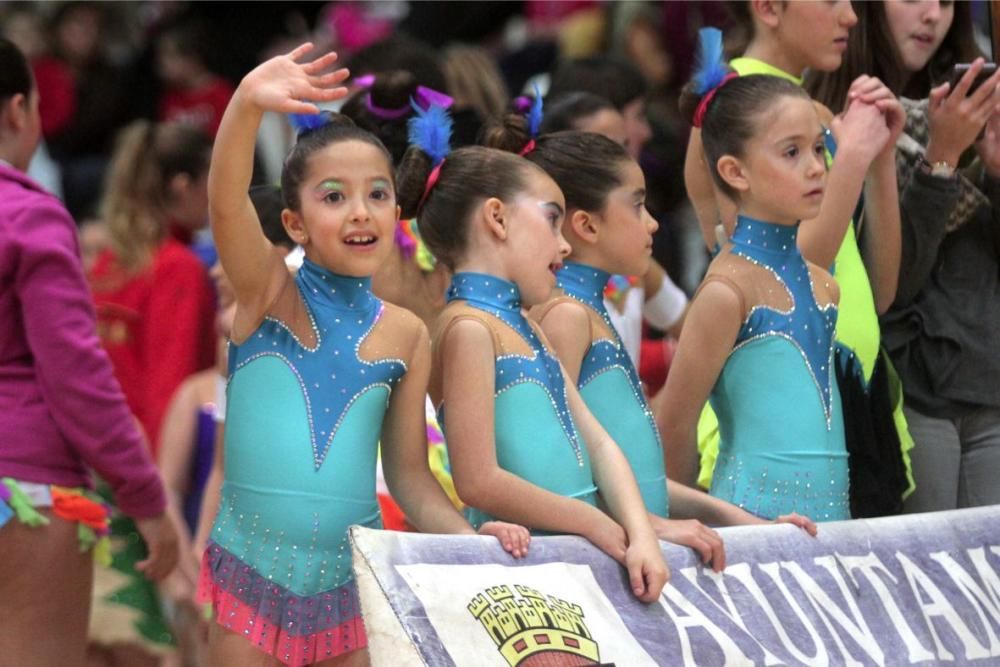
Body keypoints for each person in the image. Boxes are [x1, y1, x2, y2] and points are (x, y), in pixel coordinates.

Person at [200, 44, 529, 666]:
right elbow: (225, 203)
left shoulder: (406, 332)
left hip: (351, 587)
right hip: (252, 576)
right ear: (294, 224)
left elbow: (408, 475)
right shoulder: (268, 294)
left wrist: (469, 540)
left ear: (397, 210)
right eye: (334, 197)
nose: (361, 212)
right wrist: (245, 102)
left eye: (377, 194)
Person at [486, 122, 818, 567]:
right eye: (638, 206)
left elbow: (641, 483)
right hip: (581, 563)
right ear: (585, 224)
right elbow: (553, 476)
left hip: (621, 552)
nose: (653, 222)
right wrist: (651, 526)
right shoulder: (565, 318)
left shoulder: (589, 313)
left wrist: (739, 519)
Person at [396, 100, 669, 601]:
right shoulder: (466, 328)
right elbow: (477, 480)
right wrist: (593, 521)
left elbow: (602, 445)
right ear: (497, 218)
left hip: (582, 560)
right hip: (529, 574)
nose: (564, 245)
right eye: (551, 219)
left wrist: (642, 533)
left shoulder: (526, 326)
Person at [677, 4, 907, 516]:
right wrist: (848, 156)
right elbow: (780, 271)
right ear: (769, 8)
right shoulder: (731, 107)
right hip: (759, 457)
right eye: (830, 0)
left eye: (817, 153)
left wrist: (879, 158)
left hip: (852, 398)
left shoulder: (811, 116)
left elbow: (879, 289)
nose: (850, 17)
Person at [0, 37, 177, 666]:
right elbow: (78, 380)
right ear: (19, 110)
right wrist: (146, 500)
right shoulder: (28, 215)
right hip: (26, 490)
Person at [809, 0, 1000, 513]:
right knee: (926, 584)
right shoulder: (835, 116)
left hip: (988, 384)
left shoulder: (982, 107)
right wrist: (942, 158)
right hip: (907, 390)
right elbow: (891, 287)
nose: (933, 16)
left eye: (946, 2)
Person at [87, 120, 217, 459]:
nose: (215, 191)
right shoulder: (178, 269)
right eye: (210, 178)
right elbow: (169, 389)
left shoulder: (108, 262)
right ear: (182, 185)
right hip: (145, 467)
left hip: (98, 456)